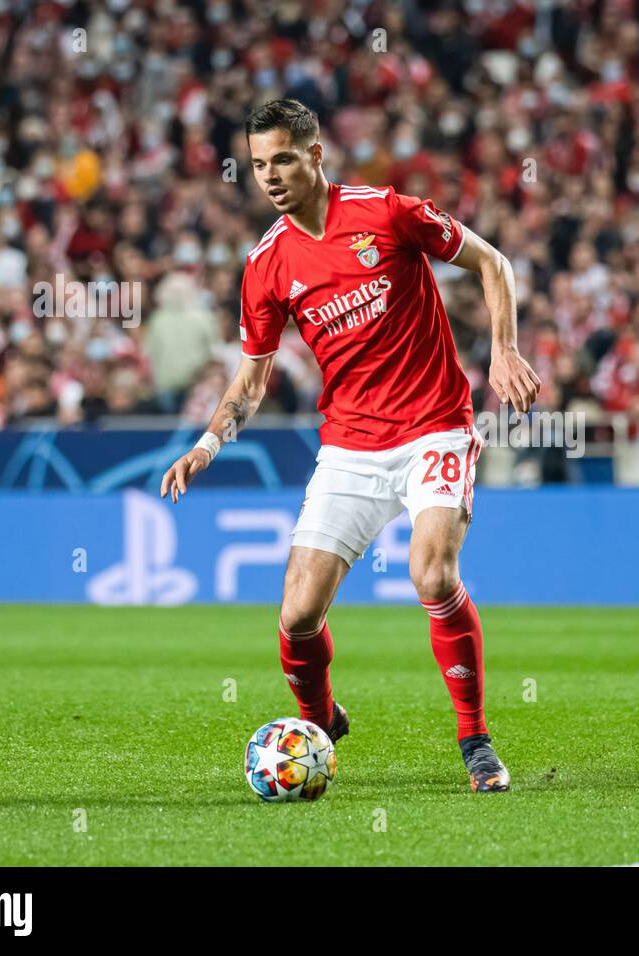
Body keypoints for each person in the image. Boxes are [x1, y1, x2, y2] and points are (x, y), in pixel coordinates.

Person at [159, 99, 541, 791]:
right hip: (351, 444)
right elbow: (249, 382)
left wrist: (505, 351)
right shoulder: (266, 265)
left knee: (432, 574)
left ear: (315, 156)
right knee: (297, 614)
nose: (269, 176)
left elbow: (492, 262)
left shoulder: (387, 212)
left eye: (281, 159)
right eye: (257, 165)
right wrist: (206, 445)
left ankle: (475, 739)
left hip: (435, 423)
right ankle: (317, 725)